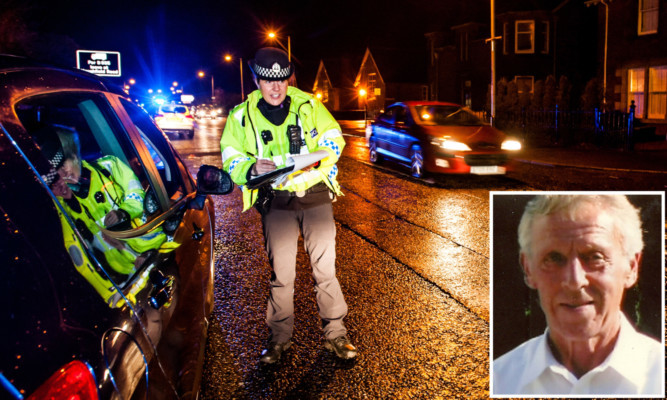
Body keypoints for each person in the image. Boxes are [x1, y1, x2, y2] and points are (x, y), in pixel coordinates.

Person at [220, 47, 356, 363]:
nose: (276, 88)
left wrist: (318, 158)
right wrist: (251, 169)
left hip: (315, 196)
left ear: (288, 78)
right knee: (281, 275)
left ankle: (336, 334)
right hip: (276, 202)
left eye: (281, 80)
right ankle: (279, 339)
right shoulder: (240, 116)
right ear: (256, 79)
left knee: (325, 270)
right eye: (268, 81)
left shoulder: (310, 105)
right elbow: (231, 156)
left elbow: (334, 138)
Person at [492, 194, 664, 396]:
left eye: (594, 257)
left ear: (631, 267)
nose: (574, 282)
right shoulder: (498, 380)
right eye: (554, 258)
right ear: (528, 269)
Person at [38, 125, 173, 283]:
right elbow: (75, 251)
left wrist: (123, 212)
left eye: (64, 164)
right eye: (57, 171)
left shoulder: (110, 166)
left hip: (158, 252)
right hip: (125, 278)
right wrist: (109, 293)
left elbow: (136, 193)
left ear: (74, 155)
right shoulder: (63, 203)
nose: (64, 173)